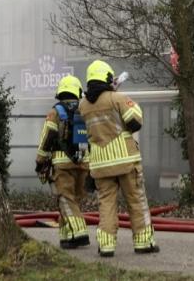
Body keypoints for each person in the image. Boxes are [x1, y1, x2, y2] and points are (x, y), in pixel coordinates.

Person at [79, 59, 158, 256]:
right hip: (125, 161)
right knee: (136, 199)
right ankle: (143, 242)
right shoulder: (117, 98)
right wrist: (116, 93)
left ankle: (106, 246)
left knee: (106, 204)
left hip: (100, 164)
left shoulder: (83, 106)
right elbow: (135, 121)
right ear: (108, 78)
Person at [35, 74, 91, 249]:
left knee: (65, 199)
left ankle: (79, 231)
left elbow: (47, 137)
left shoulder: (55, 112)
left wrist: (40, 160)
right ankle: (67, 236)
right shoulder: (85, 110)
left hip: (62, 163)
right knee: (73, 199)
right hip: (83, 163)